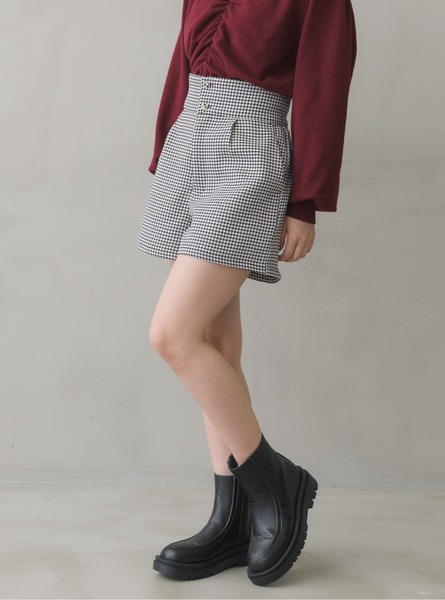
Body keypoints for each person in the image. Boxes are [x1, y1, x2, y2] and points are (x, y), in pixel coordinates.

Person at [137, 0, 357, 587]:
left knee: (173, 335)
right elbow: (180, 69)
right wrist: (168, 151)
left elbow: (324, 89)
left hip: (250, 152)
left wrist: (304, 200)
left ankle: (275, 481)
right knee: (215, 343)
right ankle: (231, 518)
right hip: (190, 145)